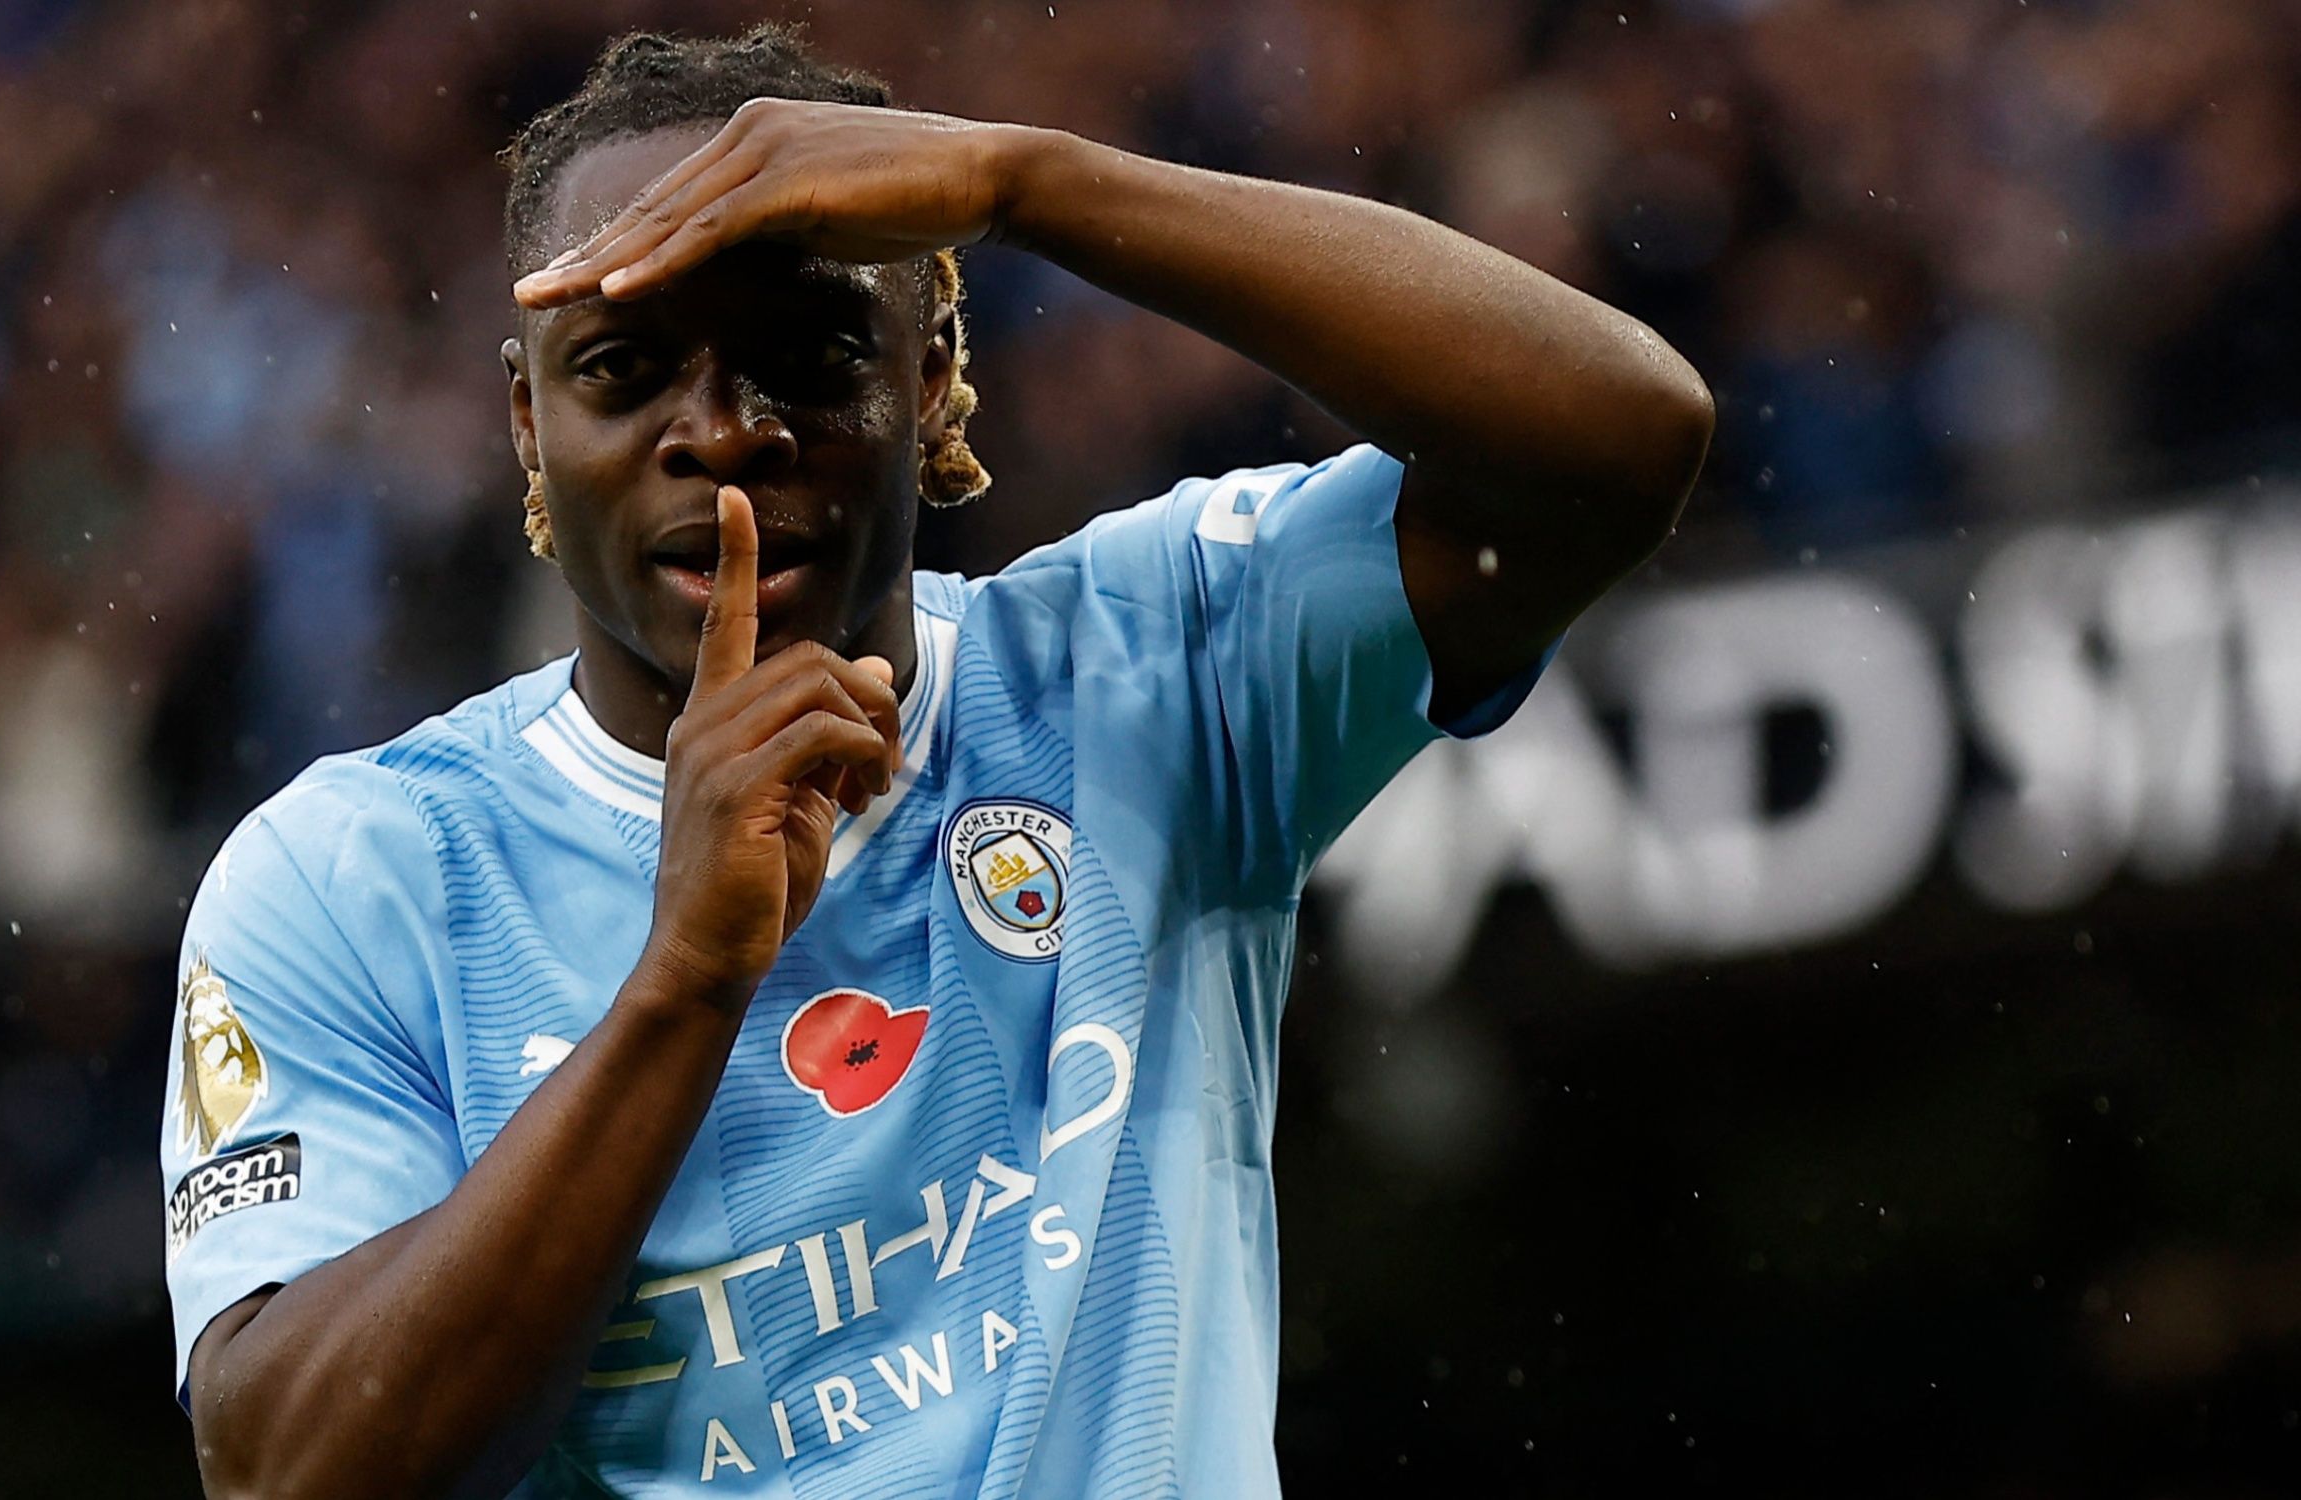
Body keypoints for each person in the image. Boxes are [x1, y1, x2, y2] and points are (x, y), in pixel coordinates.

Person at [163, 25, 1709, 1498]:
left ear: (934, 374)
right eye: (626, 368)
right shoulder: (350, 874)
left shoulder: (1146, 670)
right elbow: (287, 1468)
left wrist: (1033, 182)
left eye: (811, 354)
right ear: (526, 424)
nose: (721, 432)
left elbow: (1617, 436)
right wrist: (687, 979)